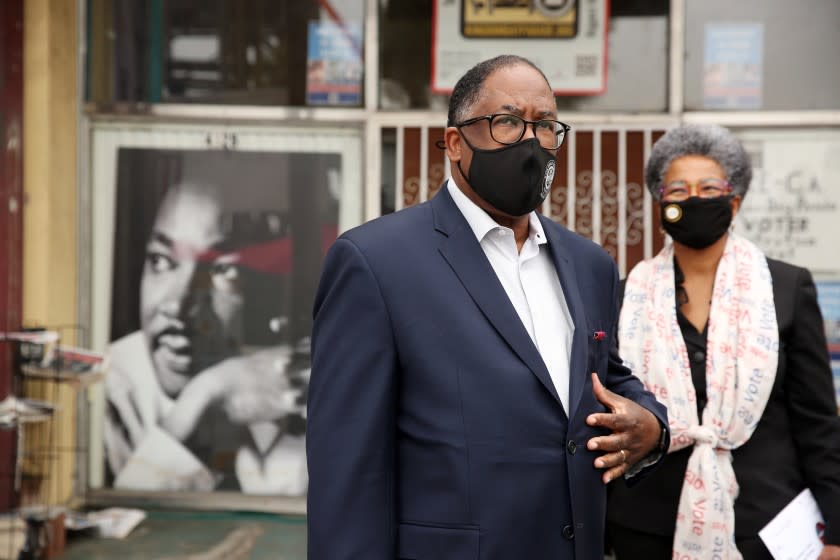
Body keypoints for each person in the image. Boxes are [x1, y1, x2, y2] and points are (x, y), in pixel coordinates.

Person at [306, 54, 669, 560]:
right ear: (455, 143)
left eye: (544, 125)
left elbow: (603, 378)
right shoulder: (375, 262)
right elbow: (347, 465)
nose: (530, 140)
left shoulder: (590, 265)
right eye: (507, 122)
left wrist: (652, 425)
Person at [606, 124, 840, 560]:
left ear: (735, 200)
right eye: (678, 188)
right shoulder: (623, 297)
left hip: (767, 524)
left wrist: (835, 531)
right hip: (645, 523)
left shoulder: (786, 288)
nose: (693, 197)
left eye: (709, 186)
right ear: (660, 202)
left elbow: (818, 423)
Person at [104, 179, 309, 495]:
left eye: (220, 270)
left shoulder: (293, 387)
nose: (179, 304)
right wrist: (202, 396)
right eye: (162, 261)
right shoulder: (106, 390)